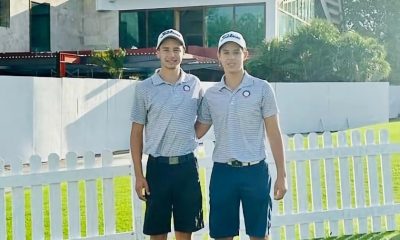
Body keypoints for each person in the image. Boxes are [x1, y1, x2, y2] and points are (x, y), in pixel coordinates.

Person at [195, 31, 287, 240]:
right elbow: (198, 130)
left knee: (259, 234)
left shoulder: (262, 88)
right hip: (223, 173)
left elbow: (274, 133)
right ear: (218, 57)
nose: (231, 57)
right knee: (222, 235)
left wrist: (282, 174)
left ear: (245, 54)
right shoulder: (211, 94)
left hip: (255, 171)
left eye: (236, 52)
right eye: (225, 52)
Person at [130, 29, 204, 240]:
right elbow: (136, 132)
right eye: (166, 49)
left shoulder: (194, 84)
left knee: (184, 231)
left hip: (187, 168)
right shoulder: (144, 88)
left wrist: (191, 135)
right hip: (157, 169)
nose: (171, 54)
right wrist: (139, 175)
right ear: (158, 53)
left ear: (184, 52)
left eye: (176, 49)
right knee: (157, 233)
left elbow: (204, 119)